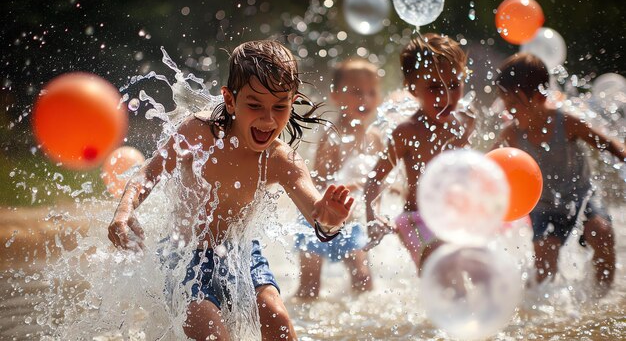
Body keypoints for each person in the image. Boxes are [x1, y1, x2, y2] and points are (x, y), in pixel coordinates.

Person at [107, 40, 354, 341]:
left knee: (279, 323)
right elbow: (148, 172)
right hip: (184, 257)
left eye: (280, 106)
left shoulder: (281, 160)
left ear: (293, 102)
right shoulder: (197, 133)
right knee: (212, 334)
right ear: (230, 100)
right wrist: (124, 212)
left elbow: (317, 213)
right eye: (255, 105)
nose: (268, 119)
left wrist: (331, 217)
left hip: (242, 255)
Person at [493, 53, 625, 293]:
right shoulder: (511, 134)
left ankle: (602, 294)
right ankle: (529, 302)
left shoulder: (566, 122)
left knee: (602, 234)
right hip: (543, 206)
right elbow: (488, 166)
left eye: (514, 105)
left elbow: (607, 143)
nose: (509, 112)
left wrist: (622, 154)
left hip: (582, 197)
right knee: (544, 262)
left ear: (539, 96)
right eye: (506, 105)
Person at [363, 33, 474, 274]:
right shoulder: (408, 131)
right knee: (443, 274)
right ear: (413, 89)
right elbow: (374, 178)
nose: (446, 96)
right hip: (417, 220)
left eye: (454, 85)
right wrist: (373, 216)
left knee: (474, 276)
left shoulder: (464, 123)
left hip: (455, 217)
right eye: (434, 87)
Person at [294, 58, 383, 298]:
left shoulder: (374, 138)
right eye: (356, 92)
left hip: (351, 222)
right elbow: (319, 183)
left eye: (371, 92)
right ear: (336, 96)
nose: (364, 99)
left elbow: (380, 180)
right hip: (318, 218)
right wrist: (352, 185)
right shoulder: (332, 136)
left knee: (363, 280)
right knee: (310, 288)